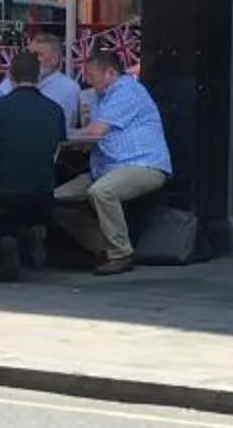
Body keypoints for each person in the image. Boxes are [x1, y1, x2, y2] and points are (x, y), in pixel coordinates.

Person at [56, 46, 171, 274]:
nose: (86, 79)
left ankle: (121, 252)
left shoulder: (127, 91)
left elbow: (95, 131)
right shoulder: (100, 98)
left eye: (91, 74)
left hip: (141, 164)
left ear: (110, 73)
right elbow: (91, 139)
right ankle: (103, 248)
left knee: (102, 192)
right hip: (105, 167)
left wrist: (63, 134)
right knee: (55, 199)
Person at [0, 50, 68, 270]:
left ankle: (2, 242)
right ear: (38, 77)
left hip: (4, 191)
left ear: (10, 75)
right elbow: (56, 150)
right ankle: (32, 232)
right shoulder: (55, 110)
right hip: (42, 191)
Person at [30, 32, 82, 132]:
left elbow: (64, 128)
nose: (31, 60)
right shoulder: (14, 80)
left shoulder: (68, 88)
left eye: (38, 55)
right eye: (29, 54)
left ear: (55, 59)